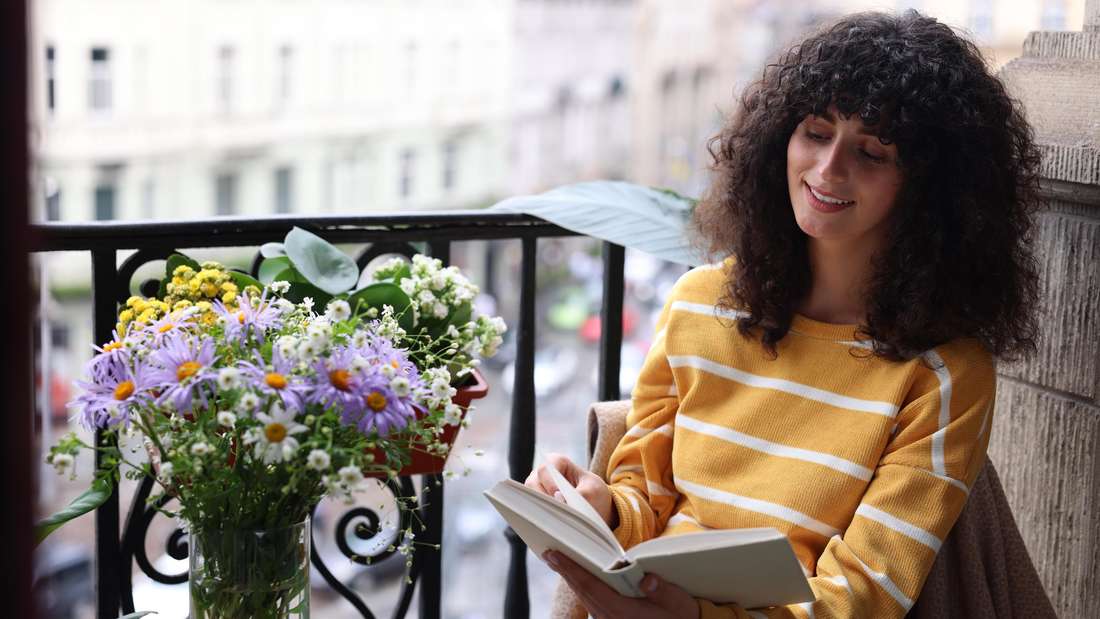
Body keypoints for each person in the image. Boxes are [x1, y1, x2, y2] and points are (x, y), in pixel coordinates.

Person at [525, 10, 1041, 619]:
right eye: (817, 132)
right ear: (780, 138)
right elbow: (646, 500)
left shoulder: (942, 374)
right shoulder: (701, 301)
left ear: (933, 189)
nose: (828, 169)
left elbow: (865, 598)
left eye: (872, 152)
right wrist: (597, 507)